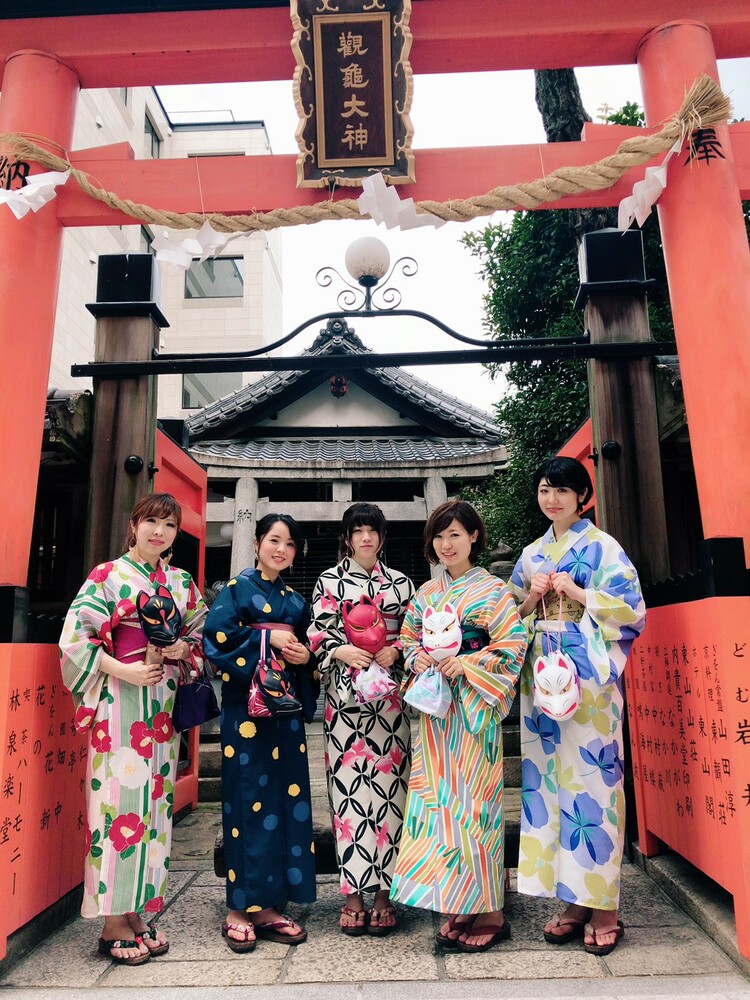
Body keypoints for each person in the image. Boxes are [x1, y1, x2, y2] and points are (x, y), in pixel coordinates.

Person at [59, 492, 208, 966]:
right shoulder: (107, 576)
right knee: (115, 808)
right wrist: (118, 669)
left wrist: (184, 650)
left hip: (161, 711)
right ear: (134, 524)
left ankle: (137, 910)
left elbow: (201, 635)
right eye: (151, 522)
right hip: (117, 707)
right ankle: (111, 922)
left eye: (168, 525)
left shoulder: (181, 582)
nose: (159, 532)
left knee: (153, 808)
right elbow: (75, 639)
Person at [507, 457, 646, 957]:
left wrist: (579, 592)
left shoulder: (604, 548)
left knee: (594, 783)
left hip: (589, 679)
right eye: (546, 490)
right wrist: (531, 600)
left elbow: (632, 611)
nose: (552, 499)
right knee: (547, 783)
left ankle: (603, 903)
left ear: (582, 497)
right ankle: (571, 899)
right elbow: (510, 617)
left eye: (563, 490)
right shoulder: (531, 554)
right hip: (543, 675)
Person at [390, 499, 526, 952]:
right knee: (439, 809)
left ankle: (492, 909)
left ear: (473, 537)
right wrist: (419, 657)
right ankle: (461, 900)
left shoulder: (492, 590)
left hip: (473, 713)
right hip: (435, 716)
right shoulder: (426, 595)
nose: (446, 544)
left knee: (476, 807)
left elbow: (512, 643)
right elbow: (407, 639)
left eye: (455, 534)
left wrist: (467, 662)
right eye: (439, 536)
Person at [203, 513, 318, 953]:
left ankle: (270, 905)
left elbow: (308, 650)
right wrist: (269, 644)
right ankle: (239, 907)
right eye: (274, 540)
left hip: (284, 711)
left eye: (289, 544)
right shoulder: (235, 591)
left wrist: (304, 654)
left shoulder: (295, 602)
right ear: (257, 543)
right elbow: (216, 638)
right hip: (246, 713)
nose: (281, 550)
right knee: (247, 797)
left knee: (287, 800)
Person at [309, 503, 414, 936]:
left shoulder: (402, 584)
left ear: (383, 537)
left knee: (392, 793)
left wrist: (398, 648)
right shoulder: (329, 581)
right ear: (347, 538)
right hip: (346, 703)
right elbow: (317, 630)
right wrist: (338, 650)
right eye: (358, 531)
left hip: (391, 704)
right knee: (349, 794)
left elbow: (418, 630)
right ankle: (353, 893)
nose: (366, 538)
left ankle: (385, 893)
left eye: (373, 531)